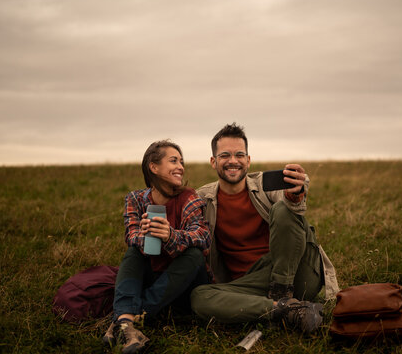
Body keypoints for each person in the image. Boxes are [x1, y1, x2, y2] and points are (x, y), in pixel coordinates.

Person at [190, 123, 339, 333]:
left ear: (248, 160)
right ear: (213, 162)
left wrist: (294, 194)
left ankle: (280, 296)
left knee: (282, 209)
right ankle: (286, 310)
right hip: (249, 285)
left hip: (296, 272)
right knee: (199, 297)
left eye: (239, 155)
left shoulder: (264, 186)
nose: (233, 161)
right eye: (225, 155)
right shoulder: (201, 199)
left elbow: (290, 204)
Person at [103, 140, 211, 353]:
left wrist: (171, 235)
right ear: (153, 166)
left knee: (195, 255)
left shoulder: (189, 197)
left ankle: (126, 318)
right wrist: (145, 235)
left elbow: (202, 236)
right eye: (173, 160)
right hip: (153, 277)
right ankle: (127, 326)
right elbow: (131, 236)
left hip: (185, 285)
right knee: (134, 252)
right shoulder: (135, 199)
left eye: (181, 161)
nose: (180, 166)